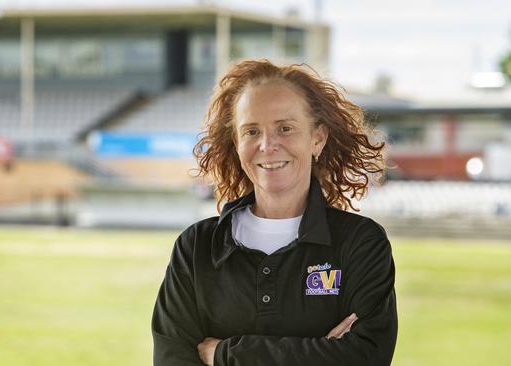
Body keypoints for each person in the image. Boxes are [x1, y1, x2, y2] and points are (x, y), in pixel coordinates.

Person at [151, 59, 397, 365]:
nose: (268, 145)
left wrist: (226, 354)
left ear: (317, 138)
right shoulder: (196, 247)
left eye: (285, 128)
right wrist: (321, 353)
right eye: (252, 131)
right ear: (237, 143)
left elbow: (365, 357)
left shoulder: (360, 243)